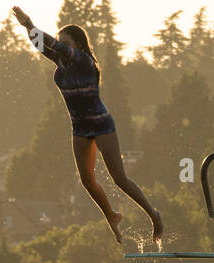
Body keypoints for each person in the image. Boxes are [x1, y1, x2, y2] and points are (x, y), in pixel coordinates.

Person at [12, 6, 163, 246]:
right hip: (80, 128)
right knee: (86, 180)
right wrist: (27, 28)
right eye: (61, 42)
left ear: (80, 45)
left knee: (119, 179)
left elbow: (52, 44)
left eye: (67, 42)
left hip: (101, 124)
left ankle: (154, 214)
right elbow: (42, 46)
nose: (62, 46)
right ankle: (111, 216)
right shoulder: (62, 63)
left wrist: (30, 22)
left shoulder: (84, 60)